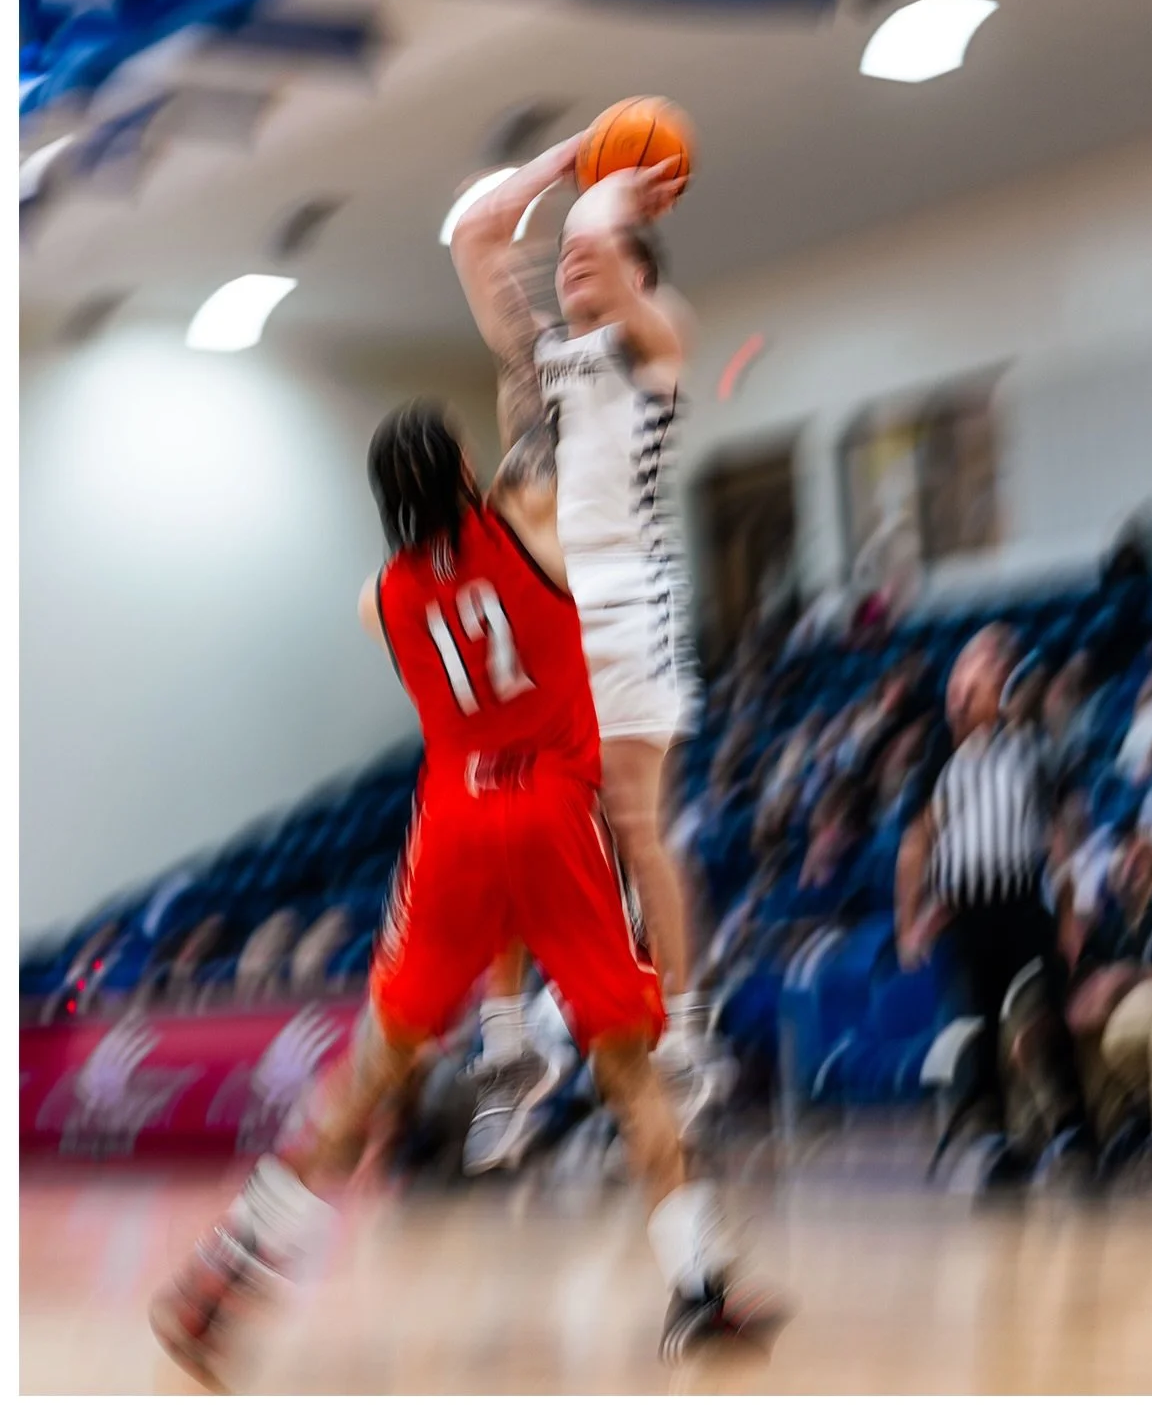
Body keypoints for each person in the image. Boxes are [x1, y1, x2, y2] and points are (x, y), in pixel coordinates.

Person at [148, 401, 786, 1390]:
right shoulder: (534, 528)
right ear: (458, 465)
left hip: (454, 823)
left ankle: (222, 1277)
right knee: (629, 1069)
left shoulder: (381, 598)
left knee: (370, 1074)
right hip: (552, 813)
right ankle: (699, 1287)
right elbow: (595, 499)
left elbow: (417, 580)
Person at [449, 134, 709, 1172]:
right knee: (510, 828)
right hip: (546, 614)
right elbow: (475, 234)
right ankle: (510, 1045)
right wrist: (567, 161)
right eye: (563, 259)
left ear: (637, 274)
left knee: (638, 832)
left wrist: (612, 187)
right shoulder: (540, 359)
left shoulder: (658, 342)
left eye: (591, 255)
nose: (570, 262)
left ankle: (686, 1035)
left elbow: (601, 243)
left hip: (629, 602)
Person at [896, 624, 1095, 1189]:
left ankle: (1072, 1130)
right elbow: (917, 843)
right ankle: (995, 1142)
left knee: (1041, 1012)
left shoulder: (1031, 747)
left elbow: (1057, 836)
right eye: (984, 669)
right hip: (967, 911)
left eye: (999, 667)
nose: (995, 677)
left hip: (1022, 902)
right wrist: (910, 919)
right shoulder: (942, 753)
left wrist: (1071, 912)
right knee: (979, 1025)